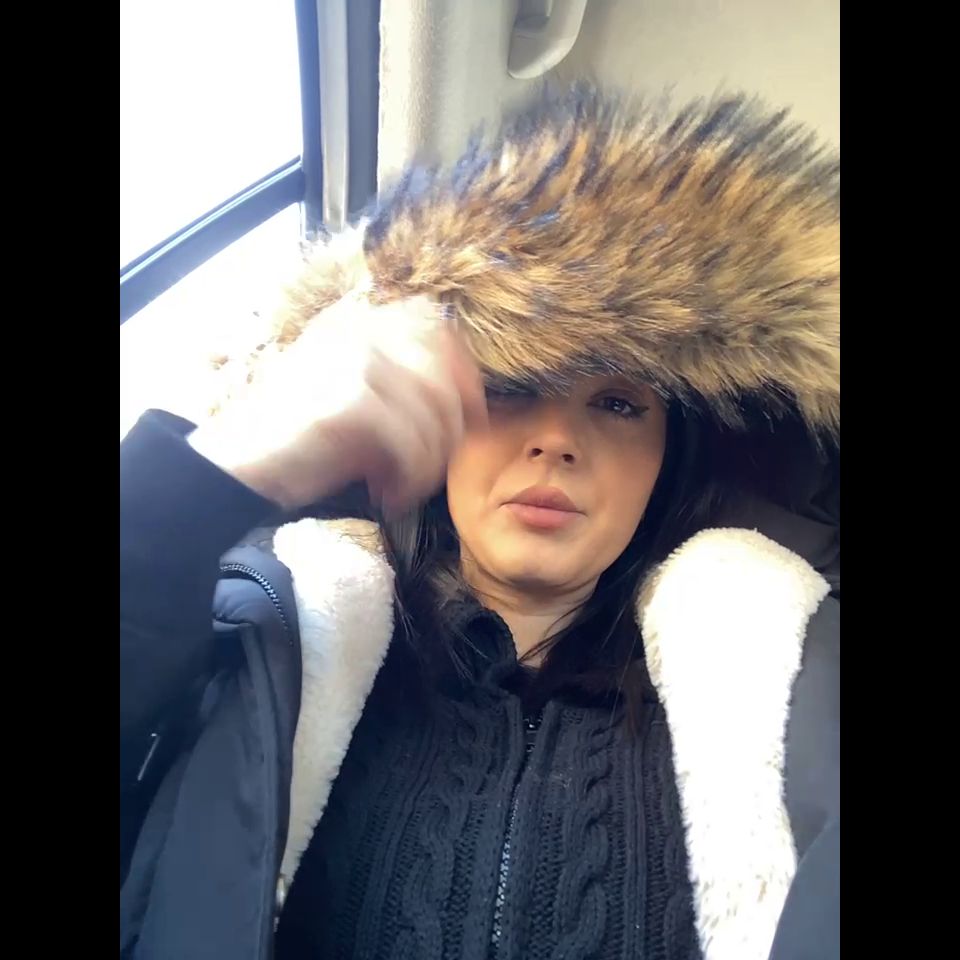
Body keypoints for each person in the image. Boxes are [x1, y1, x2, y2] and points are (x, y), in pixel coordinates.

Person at [120, 87, 839, 960]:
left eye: (618, 403)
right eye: (511, 388)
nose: (556, 441)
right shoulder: (260, 637)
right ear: (434, 415)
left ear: (669, 465)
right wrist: (224, 471)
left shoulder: (801, 678)